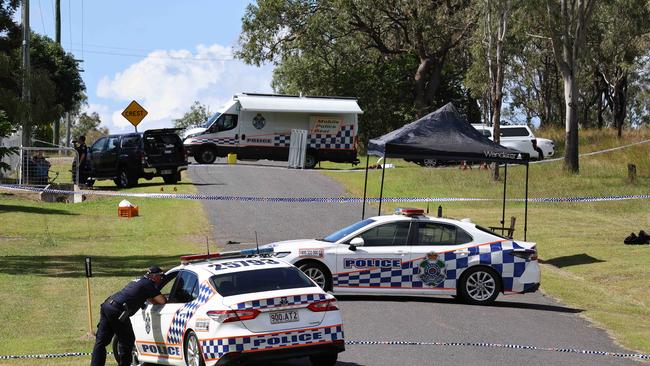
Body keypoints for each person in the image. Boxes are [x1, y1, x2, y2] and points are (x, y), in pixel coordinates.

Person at [90, 266, 167, 366]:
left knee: (101, 341)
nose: (161, 279)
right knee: (127, 341)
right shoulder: (149, 284)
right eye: (161, 277)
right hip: (118, 310)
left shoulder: (139, 280)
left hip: (107, 305)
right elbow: (162, 301)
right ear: (155, 276)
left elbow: (148, 297)